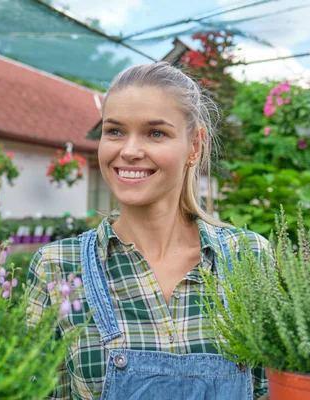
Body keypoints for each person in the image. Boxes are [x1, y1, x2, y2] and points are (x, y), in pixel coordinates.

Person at [26, 62, 270, 400]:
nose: (129, 150)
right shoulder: (59, 267)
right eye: (114, 131)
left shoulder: (249, 257)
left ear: (194, 146)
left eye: (156, 133)